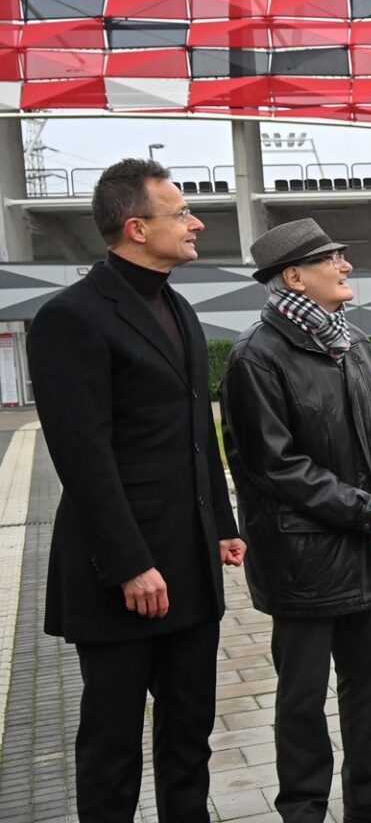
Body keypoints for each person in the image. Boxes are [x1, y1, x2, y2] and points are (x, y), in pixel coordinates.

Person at [24, 158, 246, 823]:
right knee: (112, 751)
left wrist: (225, 523)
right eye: (180, 212)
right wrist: (128, 564)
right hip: (119, 574)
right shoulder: (71, 317)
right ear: (136, 228)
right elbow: (82, 456)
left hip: (189, 566)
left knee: (189, 742)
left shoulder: (178, 307)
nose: (195, 222)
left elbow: (194, 429)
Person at [219, 220, 371, 823]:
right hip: (304, 562)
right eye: (332, 258)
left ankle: (368, 796)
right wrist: (369, 513)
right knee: (303, 699)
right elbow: (274, 467)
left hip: (366, 552)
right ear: (293, 276)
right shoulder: (255, 358)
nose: (346, 266)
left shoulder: (353, 344)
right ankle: (303, 808)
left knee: (367, 684)